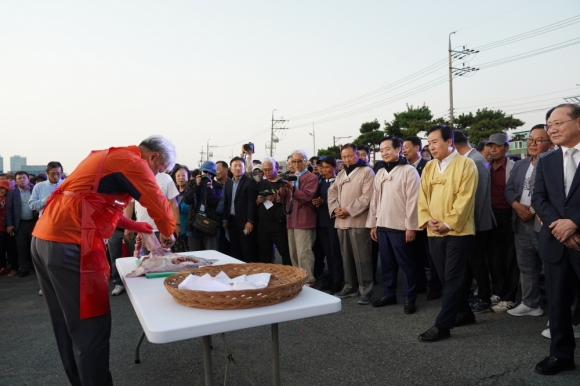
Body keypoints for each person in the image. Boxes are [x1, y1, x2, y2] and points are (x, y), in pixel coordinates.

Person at [31, 135, 176, 385]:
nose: (156, 176)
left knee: (67, 324)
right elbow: (158, 204)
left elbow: (94, 205)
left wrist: (138, 225)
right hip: (72, 243)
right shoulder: (132, 162)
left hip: (45, 239)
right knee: (91, 327)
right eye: (159, 170)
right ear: (152, 157)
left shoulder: (105, 157)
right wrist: (167, 231)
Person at [417, 125, 478, 342]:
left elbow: (466, 198)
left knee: (453, 277)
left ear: (449, 142)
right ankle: (465, 312)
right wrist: (427, 220)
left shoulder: (466, 165)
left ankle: (443, 325)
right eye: (429, 142)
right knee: (445, 277)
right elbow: (422, 197)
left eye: (435, 142)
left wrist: (448, 223)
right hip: (434, 231)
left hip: (459, 232)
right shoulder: (429, 168)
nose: (431, 147)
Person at [532, 103, 580, 375]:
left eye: (558, 123)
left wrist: (575, 223)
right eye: (549, 125)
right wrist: (559, 227)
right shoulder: (548, 158)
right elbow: (539, 198)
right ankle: (561, 355)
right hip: (556, 242)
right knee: (558, 304)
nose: (552, 129)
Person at [367, 137, 420, 314]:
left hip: (401, 227)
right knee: (387, 264)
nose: (384, 153)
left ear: (398, 149)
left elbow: (414, 200)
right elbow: (374, 200)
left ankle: (410, 298)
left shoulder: (409, 171)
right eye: (381, 150)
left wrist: (411, 226)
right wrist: (373, 224)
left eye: (388, 149)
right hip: (383, 224)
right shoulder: (380, 172)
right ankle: (389, 294)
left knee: (407, 264)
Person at [504, 125, 551, 317]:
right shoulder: (520, 164)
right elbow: (508, 190)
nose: (532, 144)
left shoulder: (551, 162)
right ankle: (531, 304)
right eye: (530, 139)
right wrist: (517, 206)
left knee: (550, 268)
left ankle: (559, 313)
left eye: (539, 140)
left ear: (550, 143)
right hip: (520, 221)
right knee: (526, 265)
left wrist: (533, 209)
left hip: (543, 224)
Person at [453, 130, 496, 315]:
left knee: (478, 263)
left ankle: (484, 298)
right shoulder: (470, 159)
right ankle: (473, 295)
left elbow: (477, 198)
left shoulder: (475, 161)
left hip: (476, 222)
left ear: (453, 145)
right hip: (471, 221)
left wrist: (471, 225)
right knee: (471, 262)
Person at [328, 143, 375, 305]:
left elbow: (367, 197)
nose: (347, 159)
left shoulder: (367, 172)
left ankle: (366, 289)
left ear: (357, 155)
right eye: (344, 156)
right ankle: (350, 286)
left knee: (362, 259)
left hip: (358, 220)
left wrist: (348, 209)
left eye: (350, 155)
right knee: (346, 257)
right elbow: (331, 192)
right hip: (341, 221)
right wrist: (335, 209)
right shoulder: (341, 174)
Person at [403, 135, 441, 300]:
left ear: (417, 148)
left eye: (407, 147)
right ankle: (419, 284)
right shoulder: (403, 167)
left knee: (431, 256)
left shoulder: (428, 165)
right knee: (414, 254)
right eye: (402, 148)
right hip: (412, 218)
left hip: (428, 218)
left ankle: (435, 287)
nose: (404, 150)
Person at [485, 133, 518, 313]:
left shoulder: (514, 167)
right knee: (494, 257)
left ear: (506, 148)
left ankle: (509, 296)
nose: (493, 149)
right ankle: (497, 292)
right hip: (490, 216)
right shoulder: (485, 167)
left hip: (508, 216)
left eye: (497, 146)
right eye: (490, 146)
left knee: (510, 258)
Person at [282, 150, 318, 286]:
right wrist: (281, 191)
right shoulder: (290, 177)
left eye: (299, 161)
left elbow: (307, 196)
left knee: (304, 253)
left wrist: (291, 189)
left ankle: (309, 280)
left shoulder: (311, 177)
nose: (296, 164)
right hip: (291, 220)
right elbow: (283, 200)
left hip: (304, 220)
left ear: (305, 161)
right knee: (294, 254)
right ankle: (299, 278)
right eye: (293, 161)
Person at [312, 156, 344, 294]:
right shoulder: (321, 182)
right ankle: (331, 278)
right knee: (328, 253)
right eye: (322, 167)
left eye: (327, 167)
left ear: (335, 167)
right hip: (322, 221)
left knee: (335, 253)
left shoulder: (338, 181)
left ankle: (338, 281)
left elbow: (340, 201)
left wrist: (323, 202)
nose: (324, 170)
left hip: (334, 221)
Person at [255, 157, 291, 265]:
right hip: (263, 225)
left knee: (285, 253)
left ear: (276, 168)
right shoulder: (260, 184)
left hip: (278, 224)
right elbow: (254, 203)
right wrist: (257, 201)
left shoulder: (283, 183)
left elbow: (291, 200)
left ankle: (287, 277)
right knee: (265, 254)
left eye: (270, 169)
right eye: (265, 170)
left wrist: (278, 199)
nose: (267, 172)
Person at [223, 156, 258, 262]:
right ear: (231, 168)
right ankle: (237, 273)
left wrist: (250, 221)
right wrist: (225, 219)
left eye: (240, 166)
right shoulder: (228, 183)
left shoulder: (249, 182)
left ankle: (248, 273)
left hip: (244, 222)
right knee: (234, 249)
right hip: (232, 221)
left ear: (244, 167)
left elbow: (251, 203)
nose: (238, 168)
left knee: (246, 249)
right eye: (235, 166)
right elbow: (226, 202)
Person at [184, 161, 223, 251]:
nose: (207, 175)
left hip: (210, 224)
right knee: (195, 255)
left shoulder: (217, 186)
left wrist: (210, 189)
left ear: (213, 175)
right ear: (200, 172)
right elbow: (187, 200)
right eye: (205, 172)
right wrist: (197, 186)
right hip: (194, 223)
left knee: (211, 254)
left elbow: (214, 202)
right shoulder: (192, 183)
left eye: (210, 173)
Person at [6, 171, 37, 277]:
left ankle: (36, 267)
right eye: (19, 178)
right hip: (20, 224)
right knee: (21, 247)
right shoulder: (12, 193)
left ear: (28, 179)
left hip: (34, 223)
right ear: (16, 181)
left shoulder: (34, 190)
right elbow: (9, 209)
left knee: (34, 247)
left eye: (24, 178)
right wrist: (9, 224)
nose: (21, 180)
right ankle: (24, 268)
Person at [170, 164, 190, 252]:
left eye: (183, 175)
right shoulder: (172, 193)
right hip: (171, 229)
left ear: (188, 177)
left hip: (187, 230)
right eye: (178, 175)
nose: (180, 178)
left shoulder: (191, 193)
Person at [0, 180, 18, 277]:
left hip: (9, 226)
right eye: (0, 188)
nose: (2, 190)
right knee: (1, 249)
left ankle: (14, 267)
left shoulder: (11, 198)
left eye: (3, 188)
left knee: (11, 248)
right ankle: (3, 267)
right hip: (0, 228)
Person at [214, 161, 230, 254]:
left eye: (218, 169)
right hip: (215, 220)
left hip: (229, 220)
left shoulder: (232, 184)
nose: (216, 172)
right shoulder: (212, 185)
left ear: (225, 170)